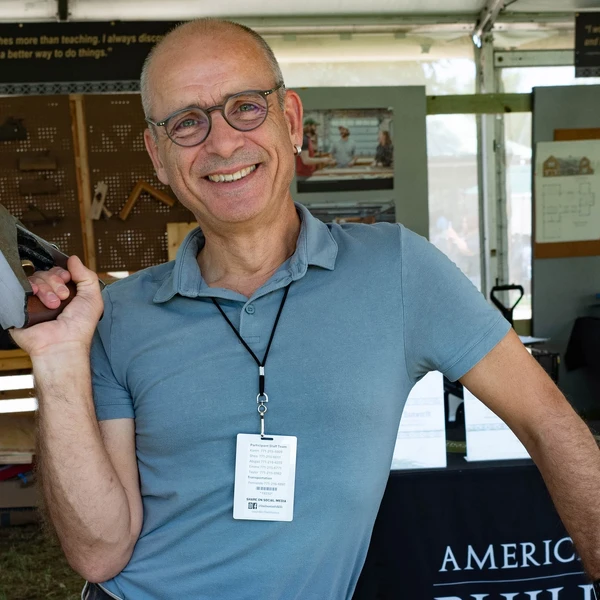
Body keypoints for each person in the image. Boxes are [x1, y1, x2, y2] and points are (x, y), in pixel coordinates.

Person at [9, 18, 600, 600]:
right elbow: (100, 552)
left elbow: (547, 422)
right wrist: (60, 362)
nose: (220, 143)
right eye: (186, 123)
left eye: (245, 106)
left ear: (291, 120)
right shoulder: (120, 314)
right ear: (158, 157)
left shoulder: (397, 270)